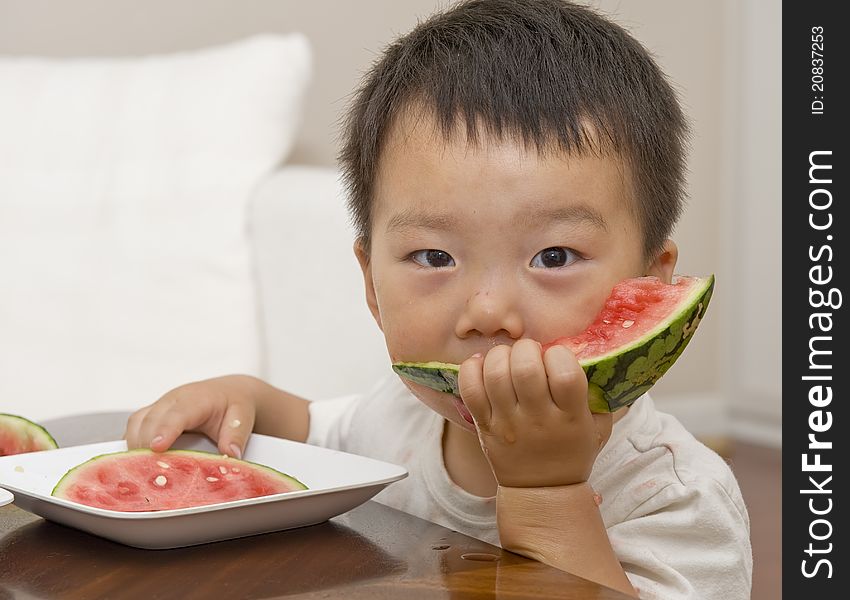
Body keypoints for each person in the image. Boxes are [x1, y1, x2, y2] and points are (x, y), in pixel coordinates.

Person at [124, 0, 752, 597]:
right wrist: (249, 401)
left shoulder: (675, 497)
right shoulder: (400, 416)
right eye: (434, 257)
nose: (487, 312)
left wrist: (546, 491)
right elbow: (323, 432)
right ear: (371, 284)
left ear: (652, 284)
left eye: (553, 257)